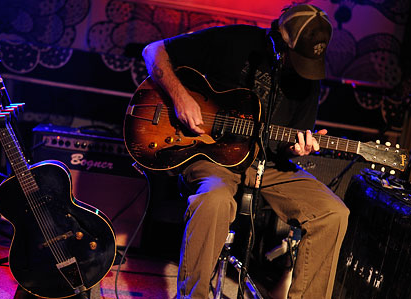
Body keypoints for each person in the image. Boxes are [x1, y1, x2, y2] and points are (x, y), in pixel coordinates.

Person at [142, 4, 349, 299]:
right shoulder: (237, 41)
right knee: (213, 200)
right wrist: (181, 99)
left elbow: (287, 146)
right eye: (296, 56)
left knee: (332, 213)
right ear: (280, 39)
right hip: (211, 156)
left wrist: (297, 149)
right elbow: (154, 51)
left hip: (267, 164)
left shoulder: (308, 80)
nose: (300, 66)